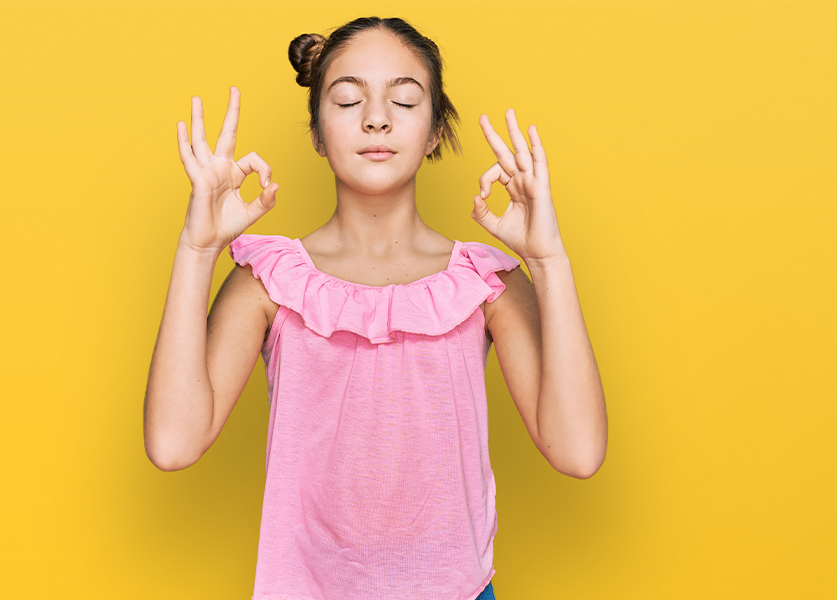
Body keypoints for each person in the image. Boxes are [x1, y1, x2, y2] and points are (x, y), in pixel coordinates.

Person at [144, 15, 607, 600]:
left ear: (436, 130)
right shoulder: (269, 281)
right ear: (316, 130)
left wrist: (548, 262)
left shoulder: (482, 283)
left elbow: (579, 451)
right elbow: (172, 442)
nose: (376, 118)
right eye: (347, 100)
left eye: (404, 101)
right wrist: (198, 247)